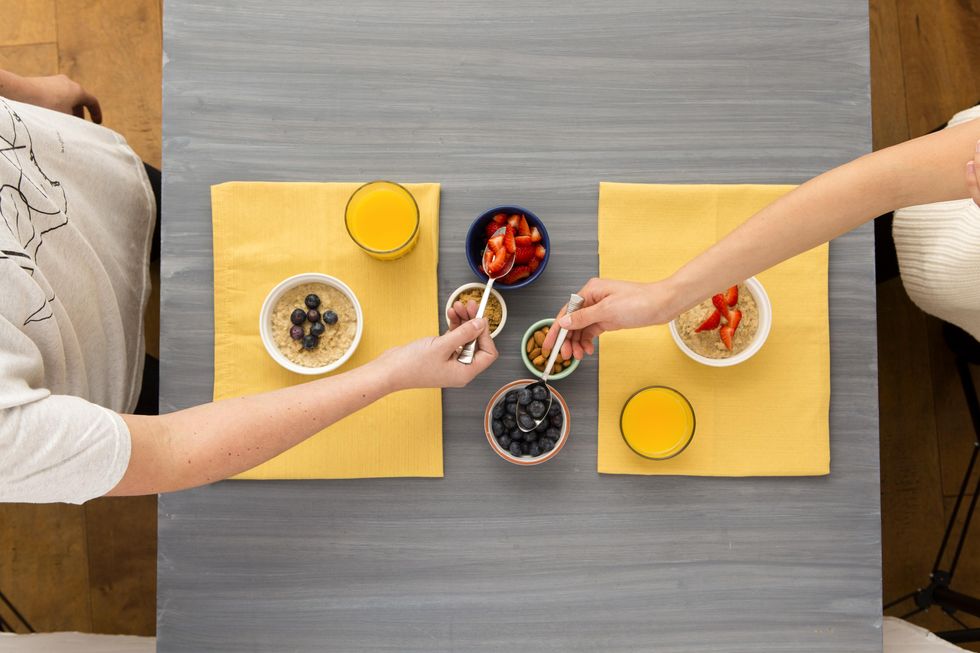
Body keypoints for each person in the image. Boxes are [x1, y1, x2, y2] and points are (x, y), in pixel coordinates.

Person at [0, 69, 497, 504]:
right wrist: (389, 373)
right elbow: (172, 448)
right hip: (103, 374)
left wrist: (19, 89)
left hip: (86, 180)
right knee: (182, 391)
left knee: (160, 216)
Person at [546, 106, 980, 358]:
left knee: (957, 343)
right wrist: (667, 297)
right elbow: (879, 186)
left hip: (965, 300)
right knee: (879, 254)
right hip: (928, 220)